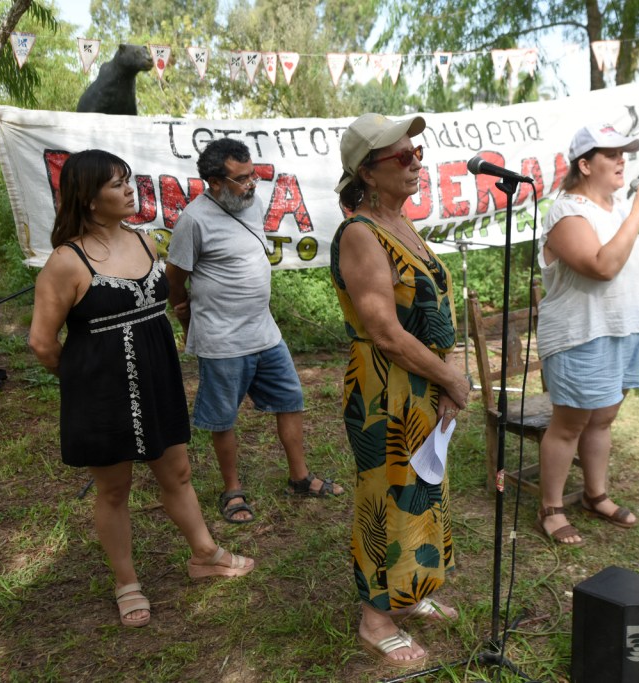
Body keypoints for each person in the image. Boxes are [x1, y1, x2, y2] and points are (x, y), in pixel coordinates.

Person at [29, 150, 254, 629]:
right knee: (114, 489)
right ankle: (126, 582)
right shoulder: (66, 262)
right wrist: (83, 381)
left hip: (157, 378)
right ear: (89, 199)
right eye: (116, 184)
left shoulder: (145, 240)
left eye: (127, 180)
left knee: (178, 473)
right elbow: (42, 343)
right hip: (100, 392)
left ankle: (205, 554)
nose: (129, 190)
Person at [330, 113, 471, 668]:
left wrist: (446, 372)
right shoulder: (360, 235)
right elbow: (386, 333)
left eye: (418, 153)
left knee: (422, 489)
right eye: (402, 156)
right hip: (385, 388)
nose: (416, 163)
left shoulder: (403, 225)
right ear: (367, 171)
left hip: (423, 382)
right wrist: (451, 377)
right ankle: (375, 618)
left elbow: (434, 312)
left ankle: (408, 592)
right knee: (386, 497)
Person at [166, 138, 343, 525]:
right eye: (242, 179)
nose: (251, 185)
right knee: (222, 418)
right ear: (215, 182)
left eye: (253, 176)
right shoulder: (193, 220)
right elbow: (174, 279)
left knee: (290, 399)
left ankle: (299, 478)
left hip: (265, 332)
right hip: (222, 340)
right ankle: (232, 490)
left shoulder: (252, 204)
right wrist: (186, 319)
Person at [535, 123, 639, 547]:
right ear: (584, 164)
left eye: (623, 153)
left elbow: (621, 261)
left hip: (625, 329)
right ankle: (551, 508)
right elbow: (600, 266)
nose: (621, 161)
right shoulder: (567, 212)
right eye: (611, 154)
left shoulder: (617, 208)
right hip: (583, 335)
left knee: (603, 419)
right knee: (569, 425)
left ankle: (595, 495)